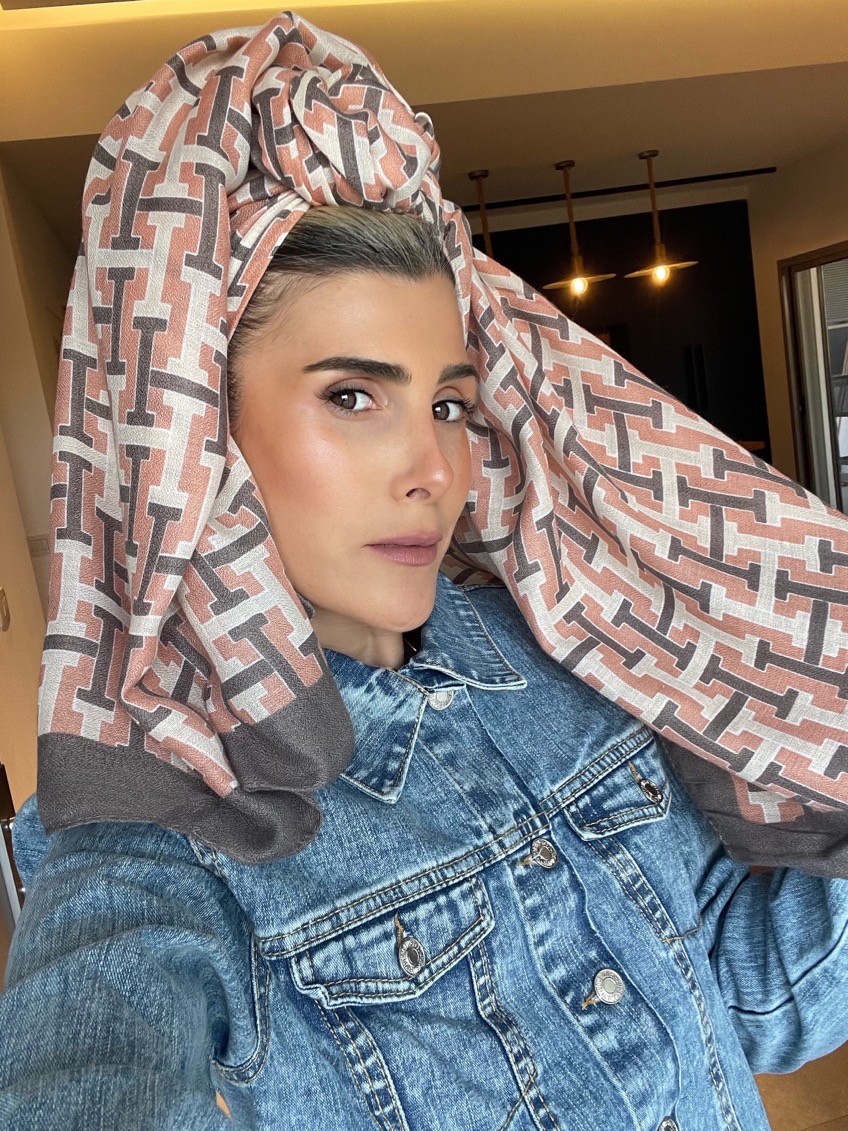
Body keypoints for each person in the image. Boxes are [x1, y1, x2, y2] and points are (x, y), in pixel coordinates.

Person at [2, 11, 848, 1130]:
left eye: (448, 402)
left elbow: (745, 999)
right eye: (354, 396)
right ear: (194, 441)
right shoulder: (163, 819)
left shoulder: (567, 646)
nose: (436, 471)